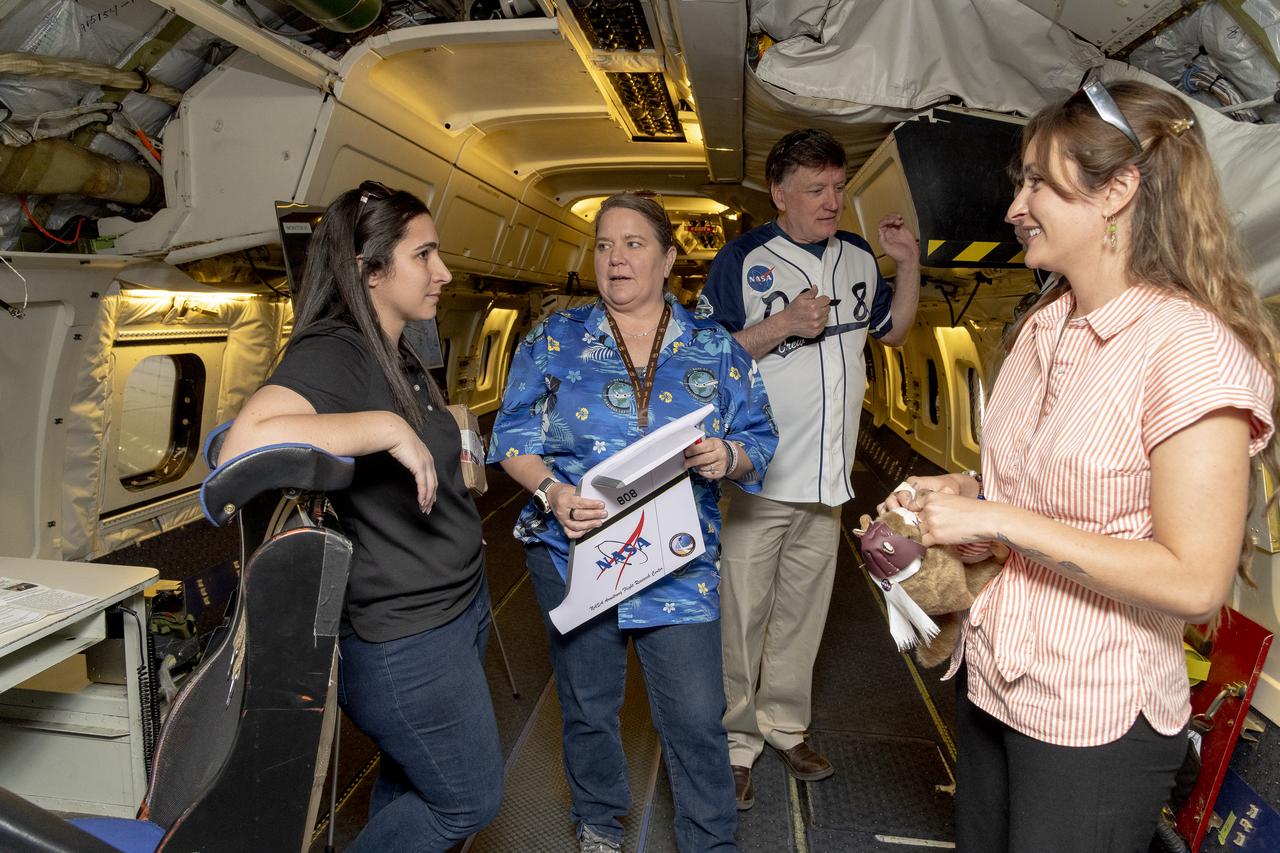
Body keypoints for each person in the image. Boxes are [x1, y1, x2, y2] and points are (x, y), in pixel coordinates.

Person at [879, 79, 1280, 852]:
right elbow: (1030, 493)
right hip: (994, 673)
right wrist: (964, 494)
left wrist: (996, 517)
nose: (1013, 207)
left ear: (1117, 192)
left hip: (1092, 708)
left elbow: (1195, 579)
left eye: (1036, 181)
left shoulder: (1189, 349)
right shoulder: (1039, 330)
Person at [489, 192, 778, 853]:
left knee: (696, 716)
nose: (615, 258)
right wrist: (555, 492)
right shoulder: (552, 340)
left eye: (634, 243)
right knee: (589, 706)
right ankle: (598, 824)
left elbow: (760, 437)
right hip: (575, 552)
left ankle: (709, 840)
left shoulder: (716, 348)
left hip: (676, 562)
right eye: (603, 245)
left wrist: (725, 455)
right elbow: (511, 438)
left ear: (670, 257)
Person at [219, 181, 503, 853]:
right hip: (408, 636)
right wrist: (382, 426)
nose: (445, 272)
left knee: (415, 784)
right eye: (425, 255)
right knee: (467, 797)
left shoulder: (396, 346)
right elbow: (242, 445)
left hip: (457, 605)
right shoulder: (335, 351)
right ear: (371, 269)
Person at [697, 127, 921, 806]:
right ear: (779, 192)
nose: (832, 202)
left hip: (829, 481)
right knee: (741, 616)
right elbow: (708, 359)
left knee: (801, 614)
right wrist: (784, 325)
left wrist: (906, 262)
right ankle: (736, 742)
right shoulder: (742, 260)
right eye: (817, 189)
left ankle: (785, 724)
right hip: (757, 477)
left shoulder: (856, 257)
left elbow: (896, 331)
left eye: (838, 187)